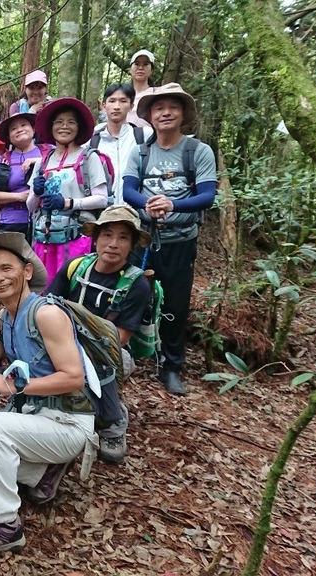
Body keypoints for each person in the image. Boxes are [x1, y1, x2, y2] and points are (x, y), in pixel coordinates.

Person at [0, 232, 95, 553]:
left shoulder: (46, 313)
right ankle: (43, 472)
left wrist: (15, 385)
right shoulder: (6, 315)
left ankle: (3, 525)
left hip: (67, 422)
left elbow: (74, 377)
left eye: (7, 268)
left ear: (27, 271)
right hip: (35, 417)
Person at [123, 83, 217, 395]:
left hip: (181, 241)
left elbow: (207, 196)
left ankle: (172, 366)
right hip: (144, 240)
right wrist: (147, 203)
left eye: (173, 107)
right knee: (131, 296)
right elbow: (128, 190)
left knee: (175, 304)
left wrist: (173, 204)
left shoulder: (198, 151)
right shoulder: (140, 152)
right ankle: (126, 353)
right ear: (149, 115)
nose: (165, 112)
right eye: (159, 107)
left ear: (183, 113)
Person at [45, 206, 152, 463]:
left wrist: (77, 343)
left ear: (133, 244)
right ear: (96, 238)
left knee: (107, 368)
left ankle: (113, 422)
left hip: (105, 350)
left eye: (123, 237)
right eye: (107, 235)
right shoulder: (75, 268)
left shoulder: (136, 283)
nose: (113, 244)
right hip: (62, 340)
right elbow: (45, 305)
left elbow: (120, 338)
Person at [26, 97, 107, 277]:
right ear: (51, 126)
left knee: (72, 288)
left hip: (76, 238)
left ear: (79, 127)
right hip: (44, 239)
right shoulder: (42, 162)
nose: (64, 127)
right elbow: (31, 207)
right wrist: (37, 193)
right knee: (44, 289)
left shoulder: (88, 158)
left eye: (71, 122)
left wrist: (68, 203)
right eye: (59, 122)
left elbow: (102, 198)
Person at [90, 83, 154, 205]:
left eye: (123, 101)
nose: (117, 106)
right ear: (104, 105)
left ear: (131, 106)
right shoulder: (93, 140)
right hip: (101, 212)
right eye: (112, 101)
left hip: (136, 210)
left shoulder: (144, 135)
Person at [0, 111, 42, 235]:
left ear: (33, 129)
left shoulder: (48, 151)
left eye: (24, 125)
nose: (19, 130)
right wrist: (19, 196)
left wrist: (36, 161)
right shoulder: (4, 159)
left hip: (44, 221)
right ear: (9, 137)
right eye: (13, 128)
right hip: (10, 221)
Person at [127, 50, 155, 128]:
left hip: (148, 138)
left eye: (145, 64)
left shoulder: (156, 94)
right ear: (130, 69)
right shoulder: (122, 94)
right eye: (137, 64)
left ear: (151, 70)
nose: (140, 68)